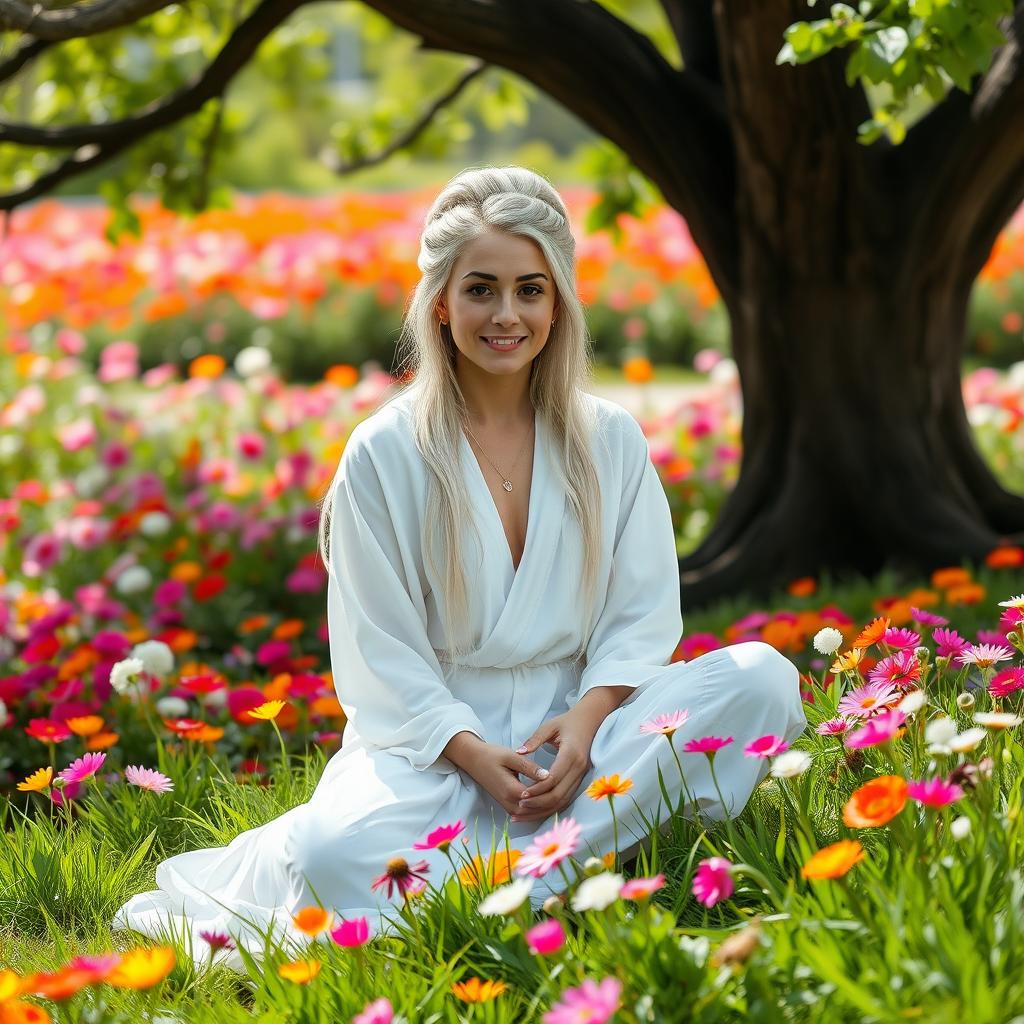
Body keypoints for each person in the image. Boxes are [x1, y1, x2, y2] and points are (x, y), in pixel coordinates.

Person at [113, 165, 807, 969]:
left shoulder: (609, 437)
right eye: (481, 289)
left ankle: (494, 893)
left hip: (584, 732)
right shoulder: (384, 452)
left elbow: (641, 616)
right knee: (339, 852)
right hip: (432, 749)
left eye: (529, 290)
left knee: (761, 678)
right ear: (440, 303)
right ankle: (574, 877)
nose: (506, 315)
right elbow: (380, 653)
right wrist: (473, 752)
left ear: (558, 302)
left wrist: (584, 725)